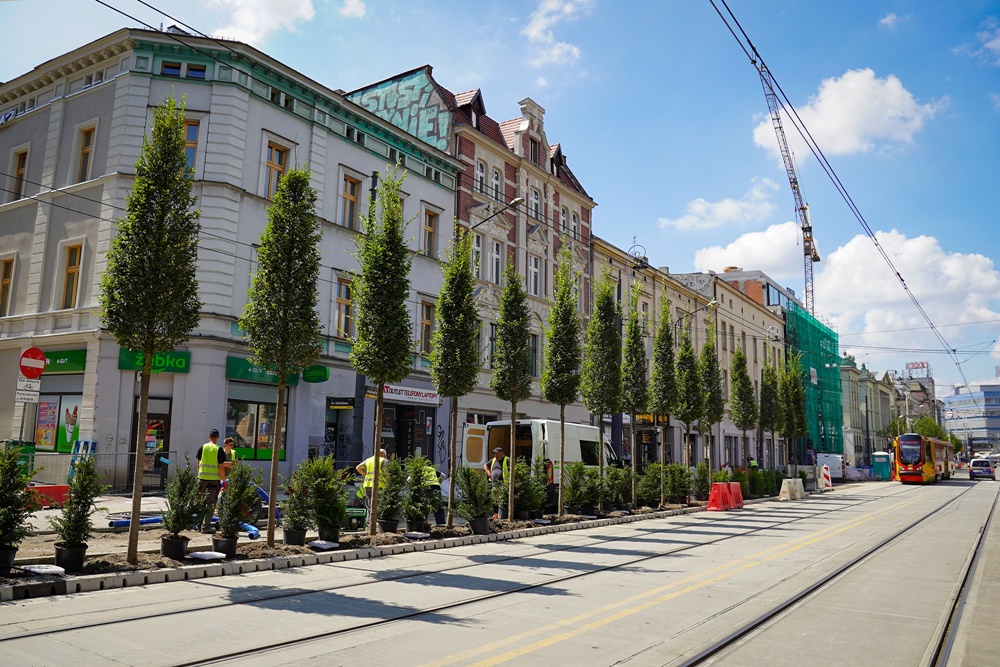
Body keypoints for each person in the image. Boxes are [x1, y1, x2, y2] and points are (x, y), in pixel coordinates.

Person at [196, 429, 227, 533]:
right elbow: (221, 467)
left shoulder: (202, 448)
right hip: (213, 481)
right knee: (210, 504)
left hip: (202, 479)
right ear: (217, 437)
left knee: (200, 502)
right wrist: (224, 480)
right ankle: (205, 527)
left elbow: (198, 463)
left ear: (209, 436)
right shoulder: (219, 450)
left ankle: (197, 525)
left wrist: (199, 475)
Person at [484, 447, 509, 518]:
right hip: (494, 483)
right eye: (495, 454)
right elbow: (485, 465)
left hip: (503, 483)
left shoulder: (507, 460)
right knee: (494, 499)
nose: (496, 455)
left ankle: (501, 514)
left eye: (497, 454)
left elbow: (513, 468)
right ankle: (496, 513)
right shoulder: (493, 460)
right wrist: (488, 472)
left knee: (502, 499)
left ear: (502, 453)